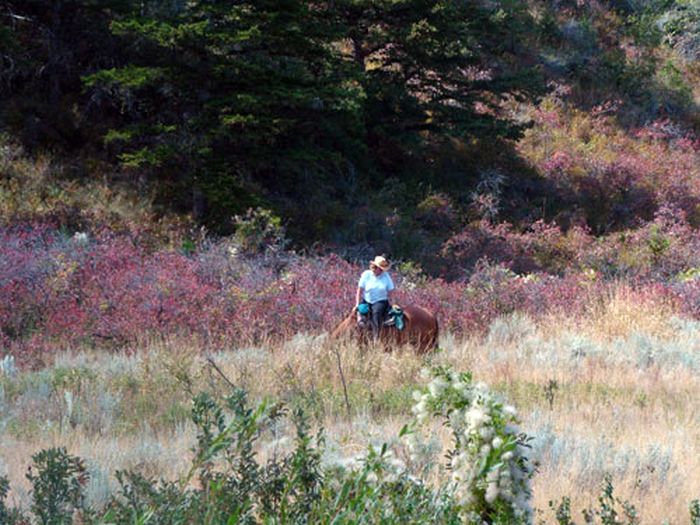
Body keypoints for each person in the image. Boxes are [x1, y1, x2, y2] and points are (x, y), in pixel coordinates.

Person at [355, 255, 395, 339]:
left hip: (380, 301)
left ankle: (376, 338)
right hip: (367, 300)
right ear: (374, 267)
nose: (380, 271)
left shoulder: (386, 276)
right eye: (379, 269)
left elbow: (391, 290)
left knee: (376, 315)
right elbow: (359, 290)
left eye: (382, 269)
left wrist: (393, 303)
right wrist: (357, 304)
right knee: (358, 314)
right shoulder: (366, 274)